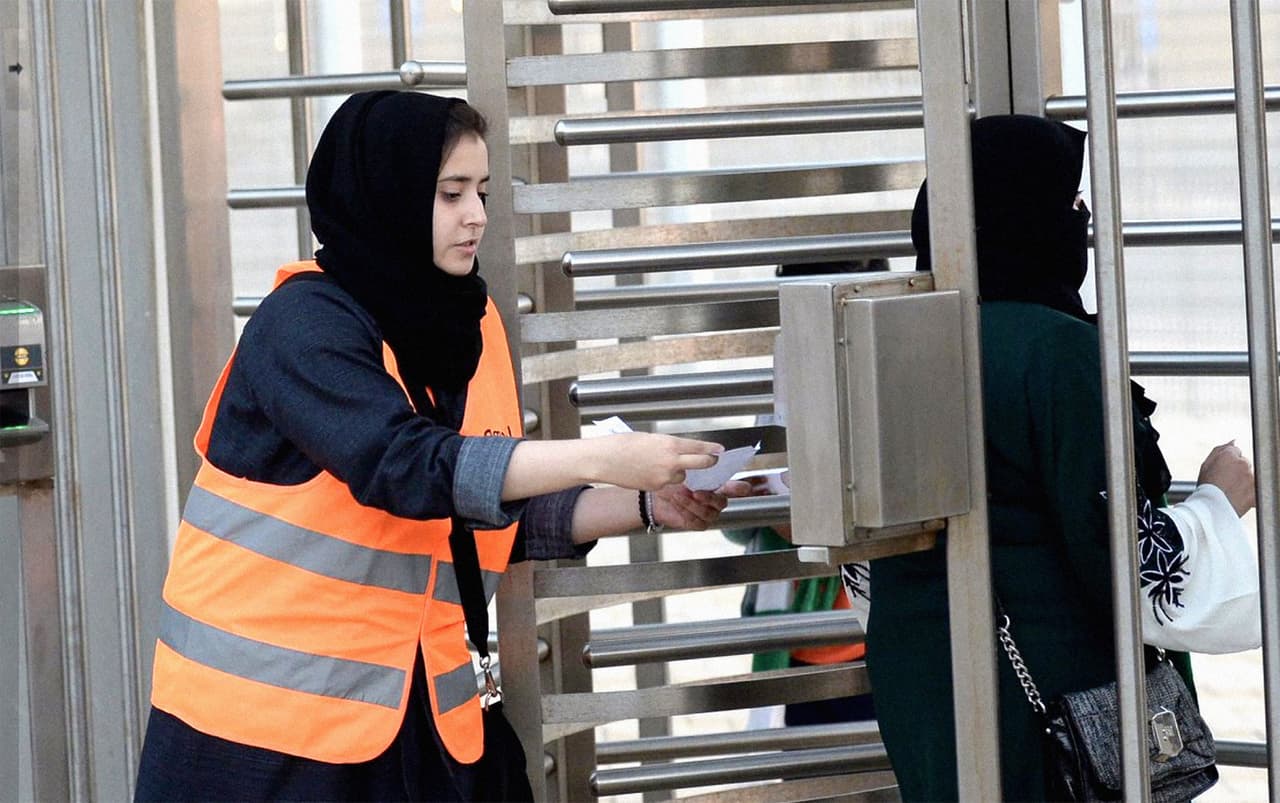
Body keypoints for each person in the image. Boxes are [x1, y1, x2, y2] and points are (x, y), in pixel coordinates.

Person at [134, 90, 747, 802]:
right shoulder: (300, 326)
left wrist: (641, 504)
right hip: (263, 740)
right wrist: (597, 455)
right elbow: (407, 467)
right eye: (450, 192)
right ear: (385, 195)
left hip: (423, 724)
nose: (477, 215)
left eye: (482, 191)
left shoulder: (468, 320)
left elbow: (477, 514)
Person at [866, 114, 1261, 801]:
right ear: (1027, 220)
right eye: (1071, 206)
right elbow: (1128, 564)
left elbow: (869, 557)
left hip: (930, 694)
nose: (1080, 222)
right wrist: (1219, 500)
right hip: (1049, 719)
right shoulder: (1054, 351)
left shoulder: (896, 347)